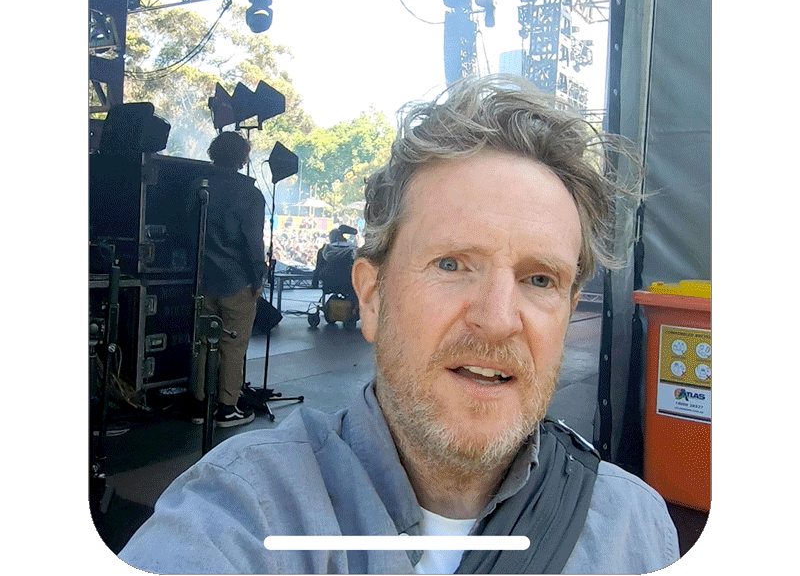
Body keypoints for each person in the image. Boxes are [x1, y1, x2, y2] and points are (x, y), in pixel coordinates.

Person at [119, 76, 678, 574]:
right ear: (371, 296)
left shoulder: (635, 529)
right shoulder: (239, 513)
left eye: (539, 280)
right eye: (452, 264)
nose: (498, 319)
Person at [188, 131, 267, 429]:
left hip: (202, 278)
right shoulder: (250, 193)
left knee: (202, 342)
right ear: (243, 157)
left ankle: (198, 404)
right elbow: (252, 240)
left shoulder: (198, 186)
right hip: (237, 281)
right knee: (232, 346)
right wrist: (257, 275)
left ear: (212, 152)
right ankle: (227, 407)